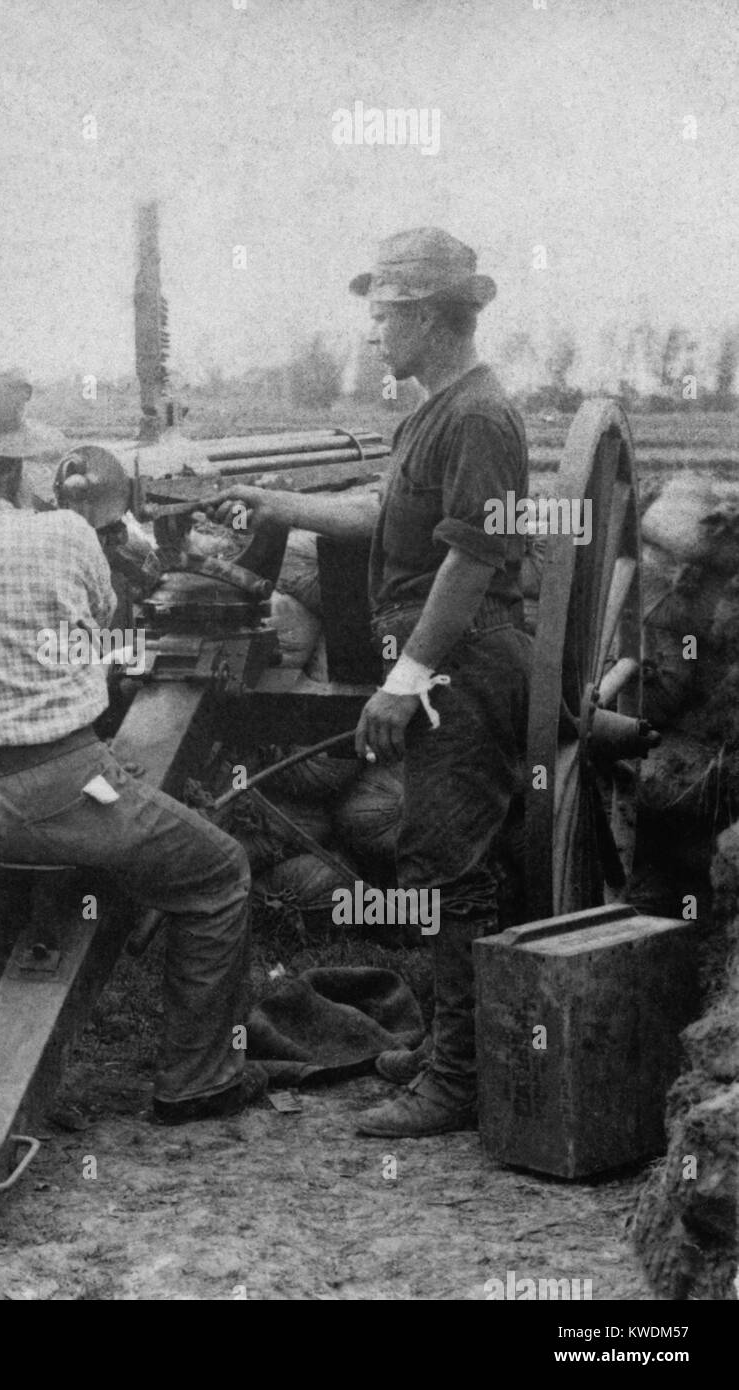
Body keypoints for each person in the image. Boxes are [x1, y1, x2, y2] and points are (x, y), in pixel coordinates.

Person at [0, 369, 265, 1124]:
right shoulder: (62, 532)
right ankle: (197, 1078)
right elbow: (104, 608)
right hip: (62, 784)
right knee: (218, 873)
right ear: (17, 463)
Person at [210, 227, 530, 1138]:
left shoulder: (475, 417)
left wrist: (408, 676)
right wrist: (277, 504)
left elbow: (470, 560)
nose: (372, 332)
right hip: (446, 661)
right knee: (437, 862)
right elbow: (379, 514)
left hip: (461, 660)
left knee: (449, 872)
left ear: (431, 315)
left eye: (384, 314)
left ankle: (457, 1082)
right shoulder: (435, 412)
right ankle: (443, 1052)